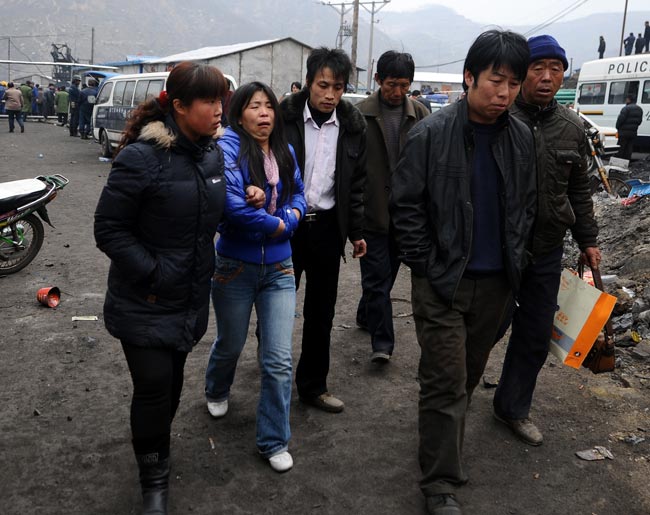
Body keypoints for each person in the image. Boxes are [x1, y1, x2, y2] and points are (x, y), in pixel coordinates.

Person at [390, 30, 536, 515]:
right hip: (444, 283)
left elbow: (525, 207)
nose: (505, 92)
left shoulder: (520, 136)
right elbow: (405, 206)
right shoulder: (430, 134)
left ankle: (440, 447)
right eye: (496, 80)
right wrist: (427, 266)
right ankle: (439, 484)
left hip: (497, 285)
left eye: (514, 83)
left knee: (469, 375)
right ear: (469, 77)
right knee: (446, 380)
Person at [94, 61, 230, 515]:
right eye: (210, 101)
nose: (218, 109)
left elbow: (208, 216)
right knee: (153, 386)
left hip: (188, 300)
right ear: (179, 106)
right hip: (144, 299)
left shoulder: (212, 154)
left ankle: (153, 446)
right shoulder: (141, 157)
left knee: (170, 389)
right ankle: (154, 478)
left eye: (220, 100)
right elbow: (109, 229)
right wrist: (153, 271)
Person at [493, 35, 600, 448]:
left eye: (556, 69)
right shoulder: (501, 119)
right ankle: (453, 400)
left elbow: (579, 191)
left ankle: (512, 407)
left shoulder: (572, 127)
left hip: (547, 251)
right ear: (523, 74)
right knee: (484, 327)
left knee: (535, 334)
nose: (547, 77)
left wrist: (588, 240)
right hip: (499, 249)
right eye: (538, 68)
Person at [204, 81, 307, 473]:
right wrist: (279, 226)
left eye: (269, 106)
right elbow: (233, 208)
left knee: (278, 359)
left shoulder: (284, 149)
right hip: (234, 266)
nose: (264, 113)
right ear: (238, 113)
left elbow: (299, 194)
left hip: (280, 268)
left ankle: (273, 440)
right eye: (254, 106)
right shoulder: (226, 148)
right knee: (231, 342)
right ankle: (216, 387)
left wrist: (289, 219)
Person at [280, 47, 367, 413]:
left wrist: (357, 230)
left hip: (328, 228)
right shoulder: (283, 118)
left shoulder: (351, 126)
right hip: (285, 227)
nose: (330, 95)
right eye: (324, 85)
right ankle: (275, 377)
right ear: (310, 82)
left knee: (322, 312)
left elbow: (357, 183)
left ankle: (313, 385)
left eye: (338, 87)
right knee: (278, 307)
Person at [355, 51, 429, 364]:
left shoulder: (422, 115)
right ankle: (382, 344)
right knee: (375, 279)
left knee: (383, 279)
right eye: (390, 84)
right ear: (377, 81)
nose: (397, 92)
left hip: (406, 217)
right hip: (372, 214)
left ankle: (365, 313)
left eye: (403, 85)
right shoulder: (359, 115)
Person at [615, 94, 644, 160]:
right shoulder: (639, 109)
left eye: (626, 99)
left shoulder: (626, 108)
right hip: (633, 132)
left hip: (623, 132)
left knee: (621, 147)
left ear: (629, 100)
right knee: (629, 147)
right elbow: (639, 121)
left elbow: (620, 120)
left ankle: (619, 161)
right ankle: (627, 161)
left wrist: (617, 127)